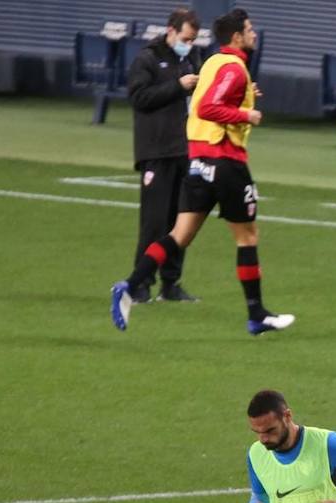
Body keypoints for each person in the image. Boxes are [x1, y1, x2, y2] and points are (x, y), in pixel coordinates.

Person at [111, 8, 293, 335]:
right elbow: (209, 106)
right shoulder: (234, 68)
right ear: (236, 37)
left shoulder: (212, 62)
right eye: (249, 29)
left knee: (179, 235)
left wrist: (246, 97)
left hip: (197, 162)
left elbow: (208, 97)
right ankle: (256, 314)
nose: (254, 33)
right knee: (247, 236)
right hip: (225, 162)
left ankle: (130, 284)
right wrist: (245, 115)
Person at [125, 8, 201, 305]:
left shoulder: (191, 58)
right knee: (154, 222)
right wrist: (176, 87)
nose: (189, 44)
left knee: (180, 223)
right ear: (170, 31)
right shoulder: (147, 58)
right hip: (156, 151)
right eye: (185, 38)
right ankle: (141, 282)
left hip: (186, 150)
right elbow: (138, 98)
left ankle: (171, 283)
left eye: (193, 40)